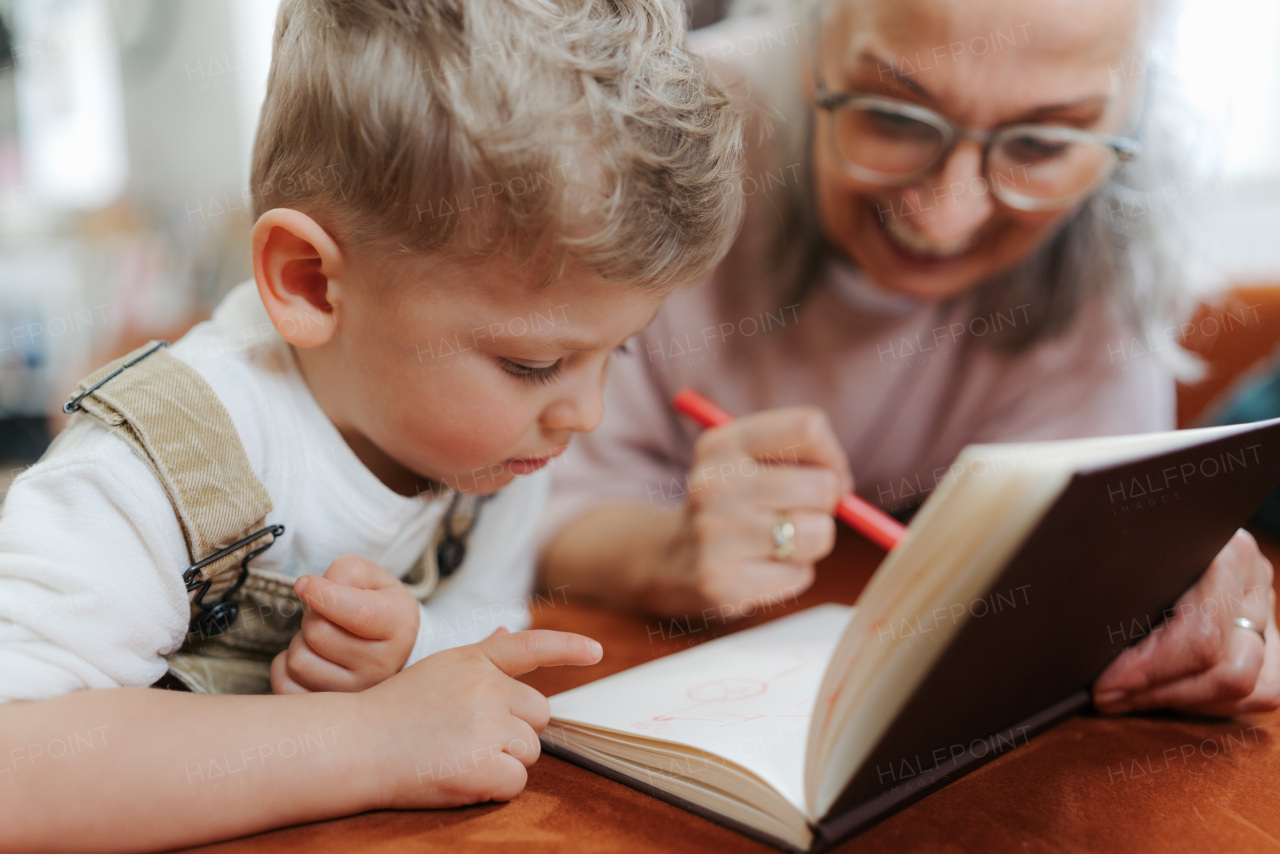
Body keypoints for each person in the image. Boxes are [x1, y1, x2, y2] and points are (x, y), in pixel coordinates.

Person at [0, 0, 744, 849]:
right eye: (533, 365)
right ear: (312, 283)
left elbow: (487, 613)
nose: (587, 412)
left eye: (620, 351)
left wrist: (416, 646)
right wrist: (371, 742)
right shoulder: (153, 467)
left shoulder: (495, 450)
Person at [539, 0, 1280, 718]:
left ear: (1130, 109)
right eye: (894, 115)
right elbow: (524, 509)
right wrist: (666, 552)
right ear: (813, 47)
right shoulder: (655, 144)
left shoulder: (1110, 230)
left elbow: (1080, 557)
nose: (945, 215)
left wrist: (1164, 582)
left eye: (1042, 144)